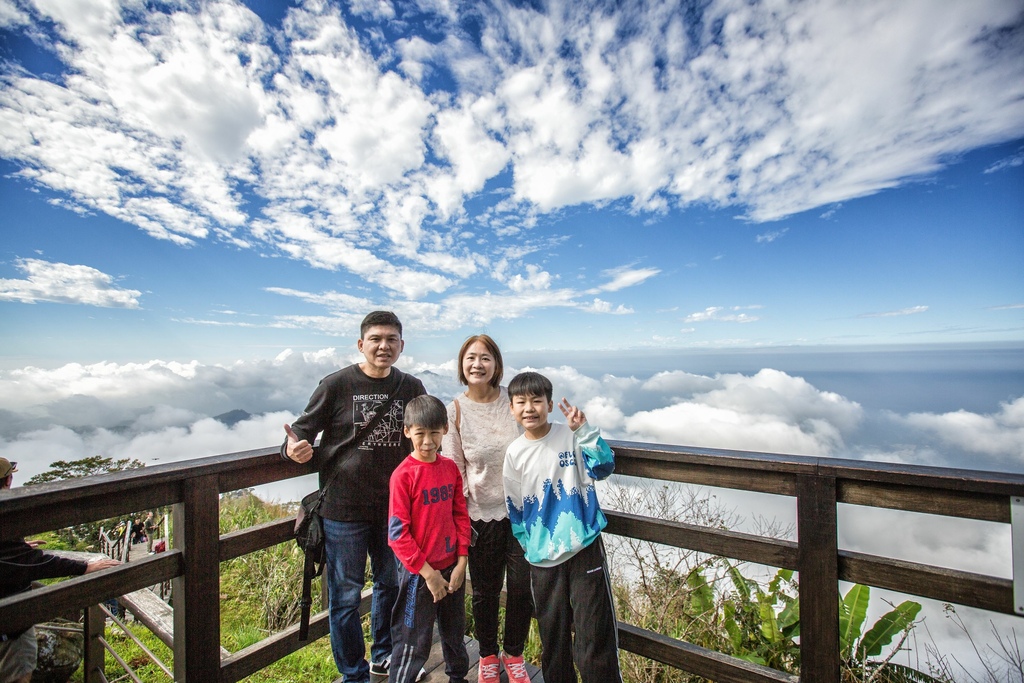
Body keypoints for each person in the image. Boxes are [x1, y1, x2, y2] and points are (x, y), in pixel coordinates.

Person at [282, 311, 426, 683]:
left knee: (390, 585)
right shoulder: (336, 384)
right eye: (376, 339)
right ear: (361, 344)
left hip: (394, 509)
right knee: (345, 596)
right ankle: (353, 673)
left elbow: (427, 431)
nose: (384, 346)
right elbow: (301, 430)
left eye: (391, 339)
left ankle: (384, 656)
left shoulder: (411, 387)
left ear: (401, 345)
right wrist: (293, 448)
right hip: (342, 509)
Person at [502, 372, 623, 683]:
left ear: (549, 404)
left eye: (536, 401)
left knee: (594, 634)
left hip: (584, 549)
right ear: (512, 409)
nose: (529, 408)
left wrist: (584, 432)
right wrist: (530, 545)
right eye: (521, 402)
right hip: (542, 558)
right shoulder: (515, 453)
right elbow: (515, 507)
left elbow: (604, 467)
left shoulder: (570, 436)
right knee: (553, 639)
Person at [440, 335, 532, 683]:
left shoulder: (513, 400)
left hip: (522, 512)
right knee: (484, 592)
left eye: (485, 358)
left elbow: (536, 439)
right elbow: (454, 468)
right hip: (479, 515)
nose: (477, 364)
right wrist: (461, 519)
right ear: (462, 364)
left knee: (522, 588)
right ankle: (488, 655)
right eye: (471, 358)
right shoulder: (455, 411)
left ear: (496, 364)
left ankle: (514, 653)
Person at [1, 457, 120, 683]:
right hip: (11, 625)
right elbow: (34, 564)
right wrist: (85, 566)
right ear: (8, 480)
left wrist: (18, 549)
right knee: (18, 676)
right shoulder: (6, 515)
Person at [387, 395, 472, 683]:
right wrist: (429, 575)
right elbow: (397, 534)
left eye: (434, 433)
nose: (427, 441)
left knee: (454, 633)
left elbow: (460, 515)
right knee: (412, 639)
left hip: (452, 567)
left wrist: (461, 562)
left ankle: (458, 678)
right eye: (420, 433)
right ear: (407, 431)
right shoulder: (403, 476)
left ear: (445, 429)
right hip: (417, 574)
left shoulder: (449, 469)